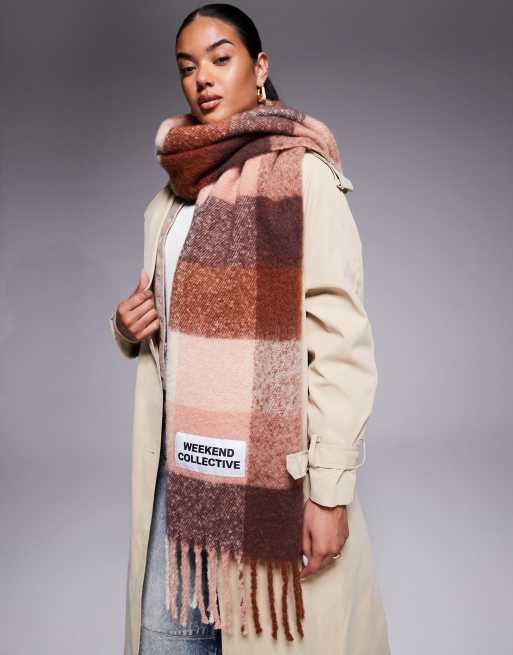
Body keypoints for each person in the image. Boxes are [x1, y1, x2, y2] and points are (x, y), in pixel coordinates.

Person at [110, 4, 391, 655]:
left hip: (270, 482)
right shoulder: (171, 199)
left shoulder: (303, 178)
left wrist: (330, 493)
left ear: (259, 67)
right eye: (187, 67)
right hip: (180, 481)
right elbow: (170, 330)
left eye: (220, 58)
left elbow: (340, 348)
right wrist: (126, 326)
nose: (202, 78)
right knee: (167, 641)